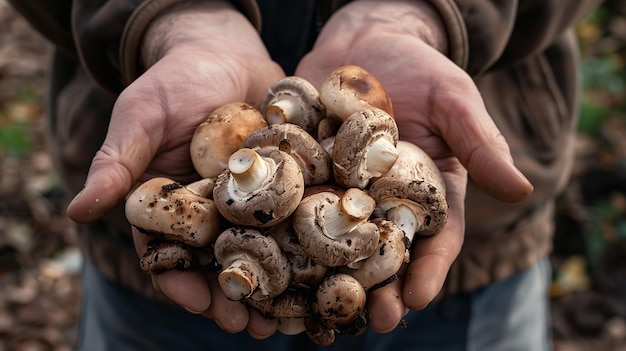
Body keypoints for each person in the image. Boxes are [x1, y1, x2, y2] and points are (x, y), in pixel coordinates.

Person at [8, 0, 602, 350]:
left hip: (478, 274)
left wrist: (427, 11)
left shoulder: (361, 178)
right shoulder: (272, 172)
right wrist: (170, 15)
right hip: (155, 291)